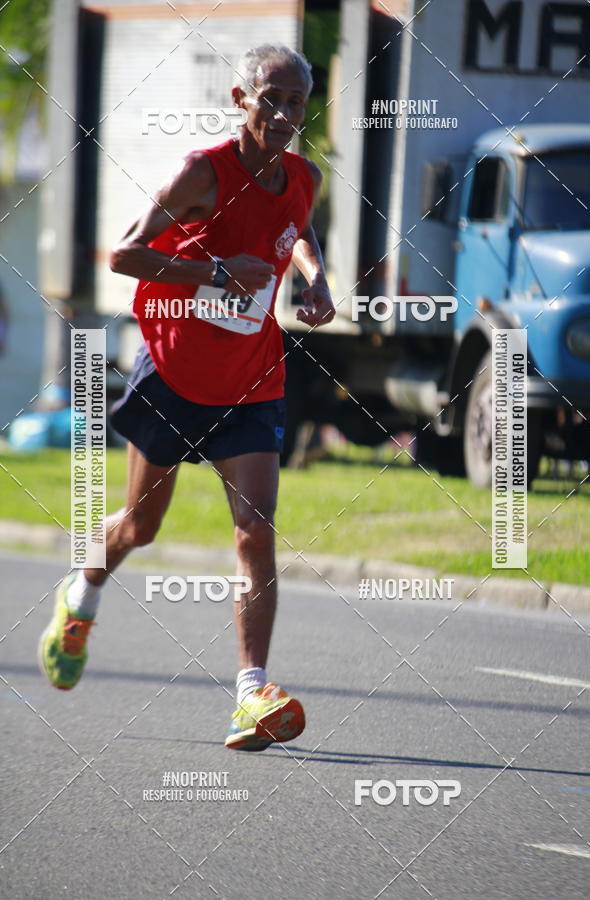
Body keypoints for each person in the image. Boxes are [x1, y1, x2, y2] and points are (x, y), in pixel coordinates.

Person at [38, 44, 335, 752]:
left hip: (253, 380)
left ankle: (250, 693)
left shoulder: (304, 176)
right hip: (174, 375)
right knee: (141, 527)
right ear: (241, 98)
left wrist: (315, 276)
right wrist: (212, 272)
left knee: (255, 530)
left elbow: (298, 228)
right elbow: (124, 255)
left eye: (296, 101)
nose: (284, 113)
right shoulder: (202, 172)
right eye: (271, 98)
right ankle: (79, 598)